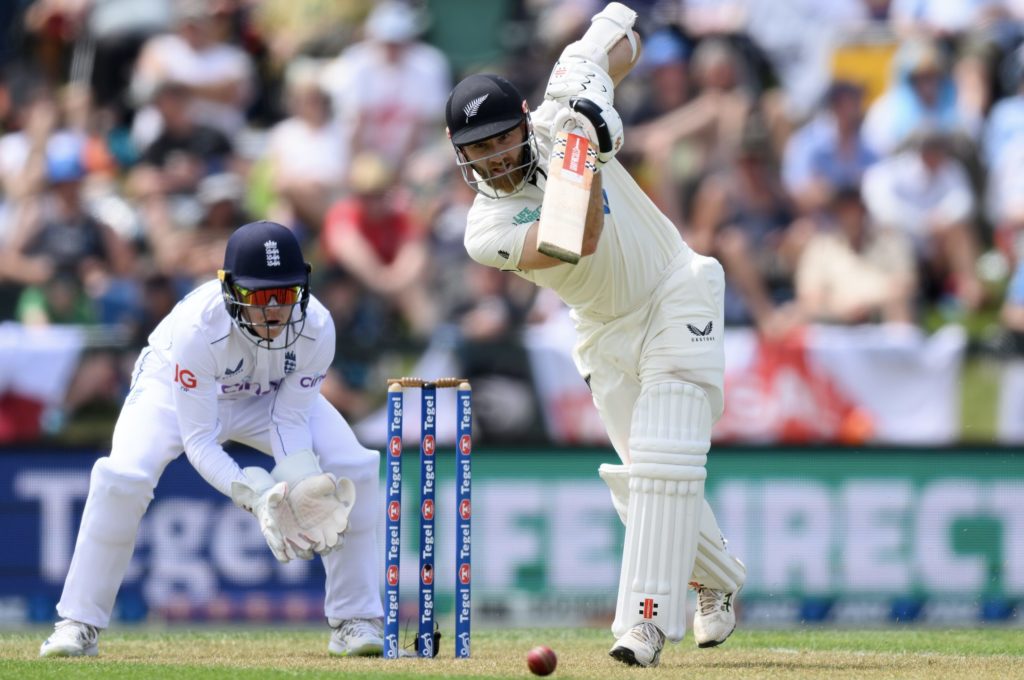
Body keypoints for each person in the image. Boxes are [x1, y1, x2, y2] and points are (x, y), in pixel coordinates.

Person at [443, 3, 746, 668]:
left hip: (676, 288)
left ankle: (643, 625)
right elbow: (575, 239)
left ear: (522, 122)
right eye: (476, 151)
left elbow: (621, 31)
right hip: (604, 332)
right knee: (644, 482)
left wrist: (593, 100)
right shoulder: (485, 231)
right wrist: (588, 152)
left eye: (499, 140)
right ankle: (718, 578)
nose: (492, 160)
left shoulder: (557, 111)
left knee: (666, 463)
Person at [39, 221, 384, 658]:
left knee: (352, 464)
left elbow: (290, 418)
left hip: (269, 396)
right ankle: (78, 623)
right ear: (230, 289)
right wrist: (256, 496)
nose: (274, 310)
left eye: (285, 292)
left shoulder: (317, 325)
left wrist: (303, 480)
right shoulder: (196, 327)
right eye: (260, 295)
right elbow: (200, 441)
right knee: (122, 477)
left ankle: (355, 619)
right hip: (175, 391)